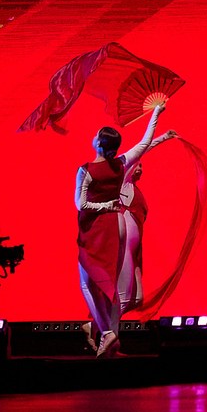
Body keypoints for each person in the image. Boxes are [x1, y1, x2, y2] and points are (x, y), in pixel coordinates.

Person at [73, 94, 171, 355]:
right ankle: (109, 338)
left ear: (99, 144)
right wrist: (157, 112)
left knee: (87, 283)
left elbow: (81, 205)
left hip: (97, 229)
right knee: (112, 285)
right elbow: (145, 142)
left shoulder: (86, 170)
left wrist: (103, 205)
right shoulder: (121, 164)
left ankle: (107, 332)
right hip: (117, 225)